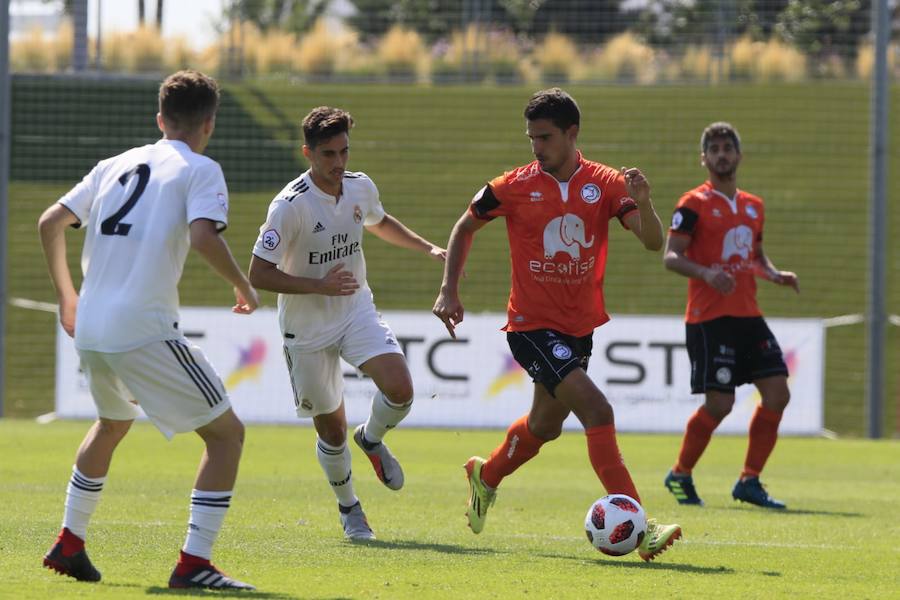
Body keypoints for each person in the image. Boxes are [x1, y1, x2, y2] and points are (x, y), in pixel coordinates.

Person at [432, 88, 682, 561]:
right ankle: (642, 525)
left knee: (545, 427)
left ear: (572, 134)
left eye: (544, 137)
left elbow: (652, 243)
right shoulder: (512, 185)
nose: (536, 147)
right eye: (531, 138)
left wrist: (645, 204)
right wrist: (449, 288)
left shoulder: (606, 184)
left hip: (578, 327)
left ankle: (486, 477)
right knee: (598, 410)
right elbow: (464, 226)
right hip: (530, 326)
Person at [38, 70, 258, 590]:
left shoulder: (113, 164)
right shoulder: (201, 168)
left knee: (112, 424)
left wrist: (68, 297)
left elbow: (50, 222)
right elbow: (204, 237)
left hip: (91, 324)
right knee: (226, 435)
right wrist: (245, 286)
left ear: (160, 120)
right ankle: (194, 564)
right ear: (209, 124)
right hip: (143, 327)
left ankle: (70, 543)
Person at [248, 106, 445, 541]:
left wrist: (427, 248)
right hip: (307, 329)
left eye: (344, 152)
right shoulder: (289, 206)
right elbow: (258, 273)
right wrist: (318, 285)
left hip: (355, 309)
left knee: (400, 387)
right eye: (328, 154)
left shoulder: (359, 187)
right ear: (308, 154)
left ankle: (372, 439)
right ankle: (350, 508)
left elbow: (379, 220)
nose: (338, 163)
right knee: (331, 430)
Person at [662, 122, 798, 510]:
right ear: (704, 158)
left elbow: (753, 255)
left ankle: (749, 480)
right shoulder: (692, 204)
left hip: (748, 314)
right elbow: (671, 256)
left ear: (739, 155)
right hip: (709, 318)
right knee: (720, 404)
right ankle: (680, 473)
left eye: (728, 148)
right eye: (715, 149)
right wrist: (706, 273)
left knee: (778, 393)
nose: (722, 155)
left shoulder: (754, 205)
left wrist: (774, 274)